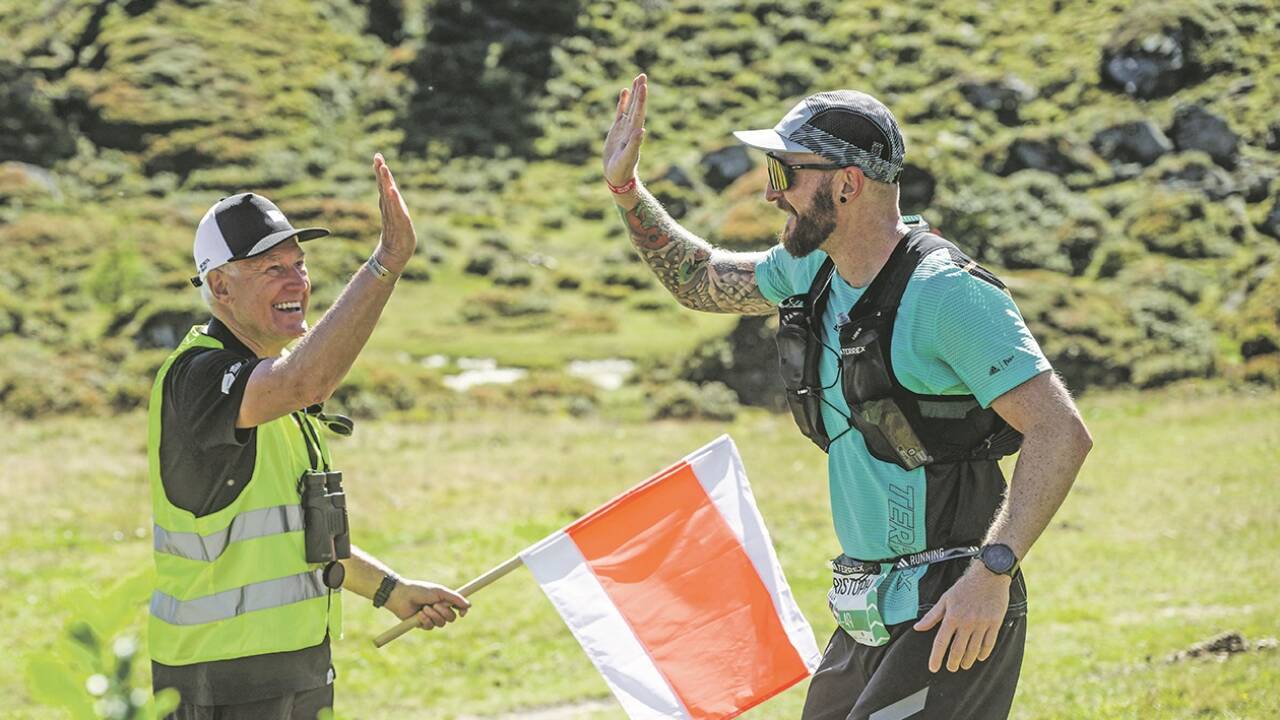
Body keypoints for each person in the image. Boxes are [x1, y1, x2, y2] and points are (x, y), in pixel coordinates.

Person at [601, 74, 1093, 719]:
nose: (772, 193)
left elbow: (1061, 431)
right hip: (866, 608)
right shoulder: (814, 267)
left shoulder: (947, 294)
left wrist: (992, 572)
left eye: (784, 173)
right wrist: (626, 190)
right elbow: (700, 280)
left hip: (951, 606)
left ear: (846, 184)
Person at [148, 154, 469, 720]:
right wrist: (386, 263)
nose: (296, 280)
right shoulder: (199, 376)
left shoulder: (274, 391)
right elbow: (306, 380)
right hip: (220, 680)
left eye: (299, 264)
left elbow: (299, 535)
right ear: (220, 285)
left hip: (295, 668)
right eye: (271, 268)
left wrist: (391, 590)